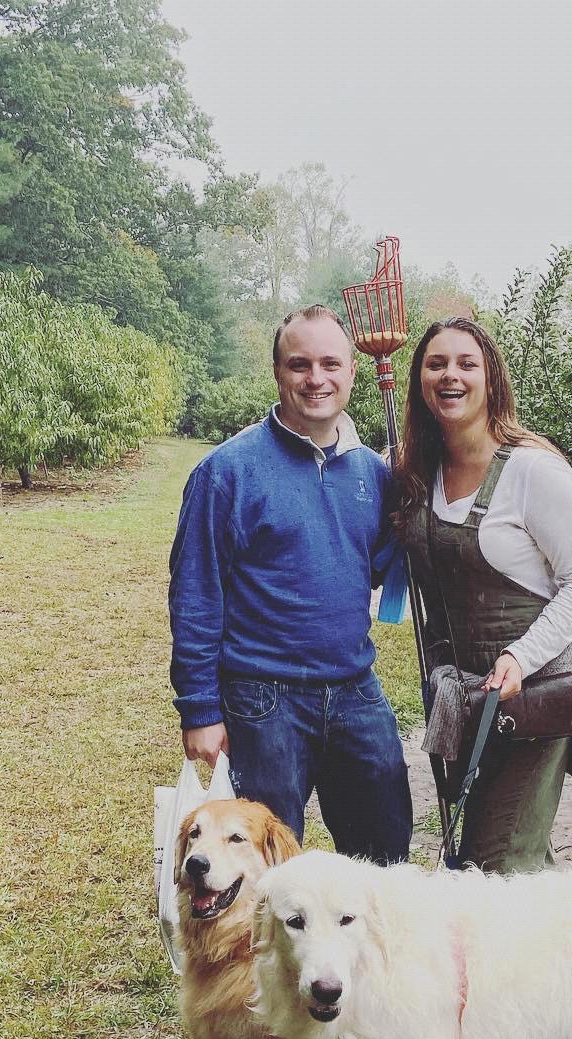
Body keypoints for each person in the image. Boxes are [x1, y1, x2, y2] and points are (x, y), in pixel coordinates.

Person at [168, 304, 412, 862]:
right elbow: (195, 594)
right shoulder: (228, 471)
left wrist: (413, 512)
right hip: (263, 696)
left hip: (355, 688)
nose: (316, 378)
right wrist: (200, 709)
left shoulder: (373, 474)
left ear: (352, 370)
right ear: (278, 373)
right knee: (267, 866)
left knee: (384, 855)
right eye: (299, 364)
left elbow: (370, 567)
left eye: (330, 363)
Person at [395, 316, 572, 874]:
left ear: (491, 377)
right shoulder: (420, 476)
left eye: (467, 363)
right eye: (436, 364)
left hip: (533, 695)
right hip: (461, 696)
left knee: (502, 864)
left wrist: (520, 656)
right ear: (419, 380)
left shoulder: (532, 471)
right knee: (478, 856)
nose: (450, 376)